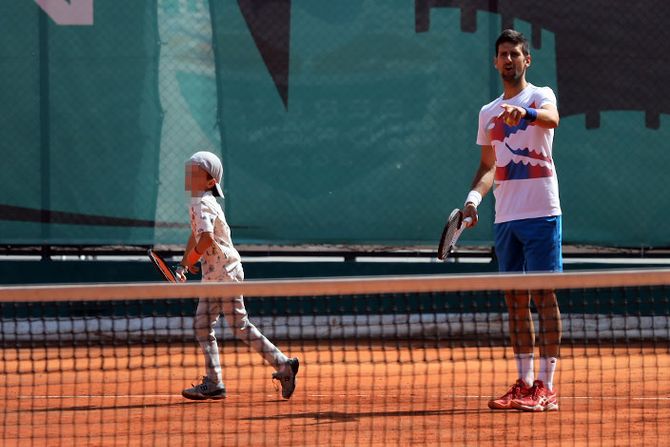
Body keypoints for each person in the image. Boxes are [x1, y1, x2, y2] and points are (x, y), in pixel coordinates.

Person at [461, 29, 562, 412]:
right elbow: (489, 166)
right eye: (502, 54)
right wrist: (473, 200)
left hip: (542, 214)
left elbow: (551, 119)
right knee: (515, 302)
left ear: (526, 60)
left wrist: (528, 113)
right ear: (495, 61)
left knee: (543, 296)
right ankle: (522, 383)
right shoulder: (487, 113)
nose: (508, 60)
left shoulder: (541, 95)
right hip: (506, 219)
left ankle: (546, 387)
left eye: (515, 54)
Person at [178, 150, 299, 400]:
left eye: (194, 172)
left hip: (224, 276)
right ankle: (215, 382)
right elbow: (197, 235)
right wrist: (184, 261)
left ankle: (283, 365)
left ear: (210, 181)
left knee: (237, 326)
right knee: (204, 326)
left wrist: (191, 259)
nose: (188, 175)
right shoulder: (201, 202)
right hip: (216, 277)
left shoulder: (202, 202)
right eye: (188, 170)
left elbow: (207, 238)